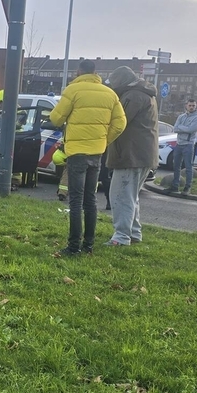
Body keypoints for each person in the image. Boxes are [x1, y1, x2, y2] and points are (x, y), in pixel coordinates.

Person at [49, 59, 127, 255]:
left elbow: (56, 118)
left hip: (77, 152)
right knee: (90, 200)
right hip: (97, 152)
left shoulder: (72, 90)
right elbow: (120, 124)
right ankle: (88, 245)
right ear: (95, 73)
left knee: (75, 200)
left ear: (78, 72)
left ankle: (74, 246)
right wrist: (103, 141)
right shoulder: (109, 93)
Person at [105, 66, 159, 246]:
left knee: (120, 195)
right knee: (131, 195)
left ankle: (121, 237)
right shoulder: (144, 94)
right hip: (142, 154)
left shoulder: (133, 96)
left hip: (130, 155)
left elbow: (119, 121)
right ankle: (134, 233)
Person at [167, 99, 197, 195]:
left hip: (188, 144)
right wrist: (183, 128)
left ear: (195, 106)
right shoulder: (181, 116)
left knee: (188, 167)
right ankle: (175, 186)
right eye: (190, 105)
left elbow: (191, 130)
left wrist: (181, 127)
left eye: (193, 105)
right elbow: (175, 128)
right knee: (176, 166)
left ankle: (187, 187)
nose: (191, 107)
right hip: (179, 144)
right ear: (186, 106)